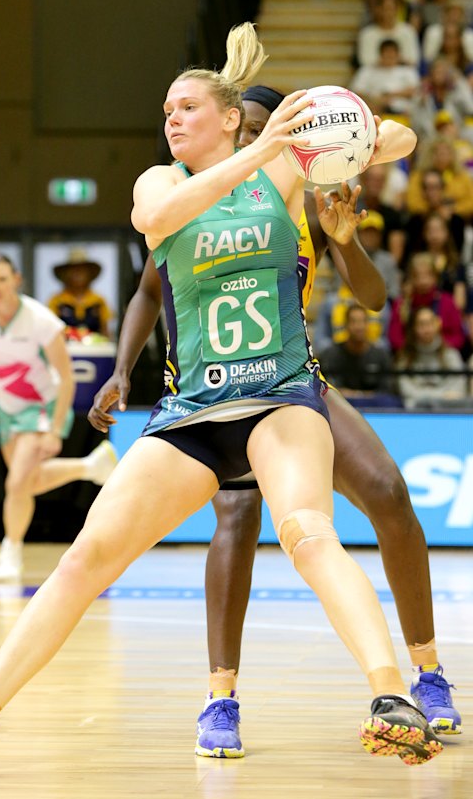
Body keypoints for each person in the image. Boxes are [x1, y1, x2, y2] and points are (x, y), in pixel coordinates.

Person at [0, 25, 443, 779]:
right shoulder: (161, 181)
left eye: (186, 107)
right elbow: (157, 221)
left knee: (308, 531)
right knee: (86, 556)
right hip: (190, 413)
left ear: (225, 115)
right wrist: (260, 149)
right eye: (166, 111)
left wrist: (354, 129)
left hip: (279, 398)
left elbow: (399, 142)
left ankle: (392, 698)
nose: (172, 119)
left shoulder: (281, 170)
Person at [90, 84, 461, 758]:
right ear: (231, 133)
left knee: (387, 490)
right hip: (210, 394)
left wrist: (347, 216)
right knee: (235, 522)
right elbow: (148, 290)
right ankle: (220, 697)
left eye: (274, 130)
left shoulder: (294, 189)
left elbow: (373, 298)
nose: (264, 142)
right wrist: (121, 369)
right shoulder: (191, 199)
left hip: (292, 384)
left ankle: (429, 671)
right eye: (255, 130)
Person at [0, 253, 118, 581]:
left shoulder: (40, 319)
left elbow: (66, 376)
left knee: (16, 482)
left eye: (2, 279)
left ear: (16, 279)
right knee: (27, 483)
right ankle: (88, 467)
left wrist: (55, 429)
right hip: (8, 410)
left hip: (42, 406)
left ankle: (10, 551)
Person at [319, 304, 399, 407]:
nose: (358, 327)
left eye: (362, 321)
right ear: (345, 325)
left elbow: (387, 390)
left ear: (368, 325)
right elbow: (328, 390)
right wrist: (362, 395)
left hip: (375, 408)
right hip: (341, 407)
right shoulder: (330, 354)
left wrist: (357, 395)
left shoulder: (381, 355)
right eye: (353, 322)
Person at [395, 305, 468, 408]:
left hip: (446, 412)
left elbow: (458, 389)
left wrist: (430, 399)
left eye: (430, 323)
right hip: (414, 412)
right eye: (421, 324)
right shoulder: (405, 357)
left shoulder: (451, 354)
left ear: (437, 324)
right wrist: (442, 396)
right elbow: (405, 390)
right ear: (414, 328)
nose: (426, 328)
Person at [47, 247, 112, 338]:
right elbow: (50, 330)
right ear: (66, 273)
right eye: (73, 270)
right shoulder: (57, 300)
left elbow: (105, 330)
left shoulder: (98, 300)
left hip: (95, 349)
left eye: (82, 269)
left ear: (89, 273)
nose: (78, 274)